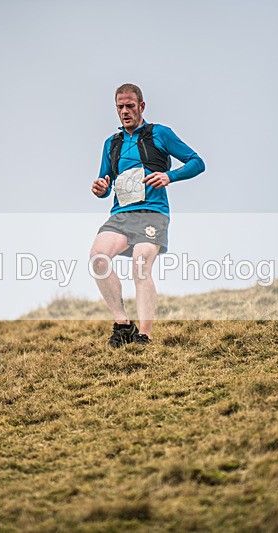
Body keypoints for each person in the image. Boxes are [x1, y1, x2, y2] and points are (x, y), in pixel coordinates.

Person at [90, 84, 204, 347]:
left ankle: (145, 335)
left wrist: (169, 176)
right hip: (121, 215)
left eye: (130, 106)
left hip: (153, 212)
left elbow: (198, 162)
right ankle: (123, 325)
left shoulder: (160, 134)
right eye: (120, 107)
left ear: (142, 106)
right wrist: (100, 189)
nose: (125, 111)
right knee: (98, 259)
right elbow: (104, 184)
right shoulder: (112, 143)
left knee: (140, 265)